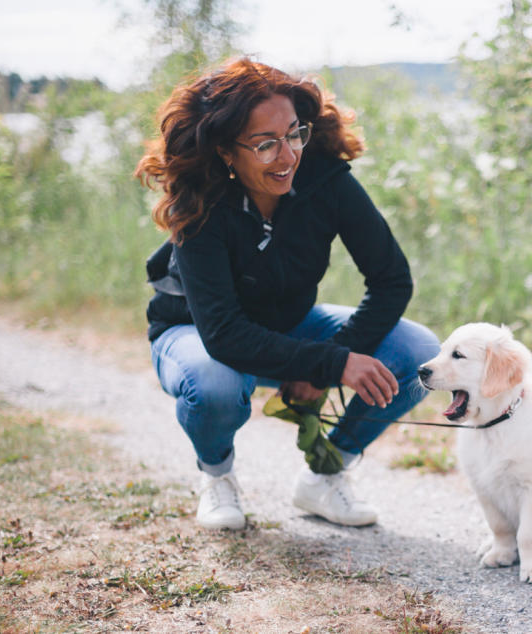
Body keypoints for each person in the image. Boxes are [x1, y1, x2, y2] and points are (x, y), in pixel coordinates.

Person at [135, 57, 439, 530]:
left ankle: (324, 475)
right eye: (264, 144)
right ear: (225, 151)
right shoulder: (198, 203)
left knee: (416, 349)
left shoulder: (325, 180)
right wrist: (332, 364)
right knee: (217, 384)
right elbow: (225, 335)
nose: (287, 155)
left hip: (287, 324)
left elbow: (391, 279)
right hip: (196, 333)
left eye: (294, 133)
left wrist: (332, 356)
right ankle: (216, 476)